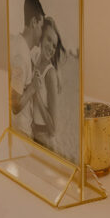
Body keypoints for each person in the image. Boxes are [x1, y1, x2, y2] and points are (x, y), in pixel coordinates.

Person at [10, 0, 44, 137]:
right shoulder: (21, 56)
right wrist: (33, 88)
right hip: (20, 131)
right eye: (41, 26)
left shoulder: (18, 44)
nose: (41, 32)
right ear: (34, 22)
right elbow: (15, 105)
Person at [30, 16, 66, 152]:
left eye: (54, 45)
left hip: (46, 140)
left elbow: (53, 129)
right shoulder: (34, 58)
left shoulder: (50, 74)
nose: (51, 48)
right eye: (49, 40)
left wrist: (36, 95)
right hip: (33, 134)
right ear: (41, 38)